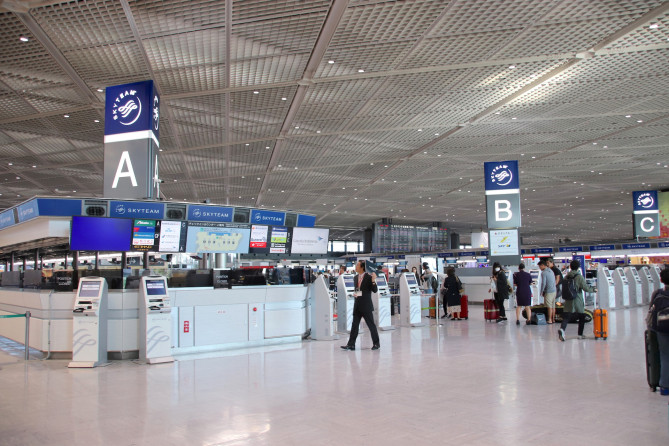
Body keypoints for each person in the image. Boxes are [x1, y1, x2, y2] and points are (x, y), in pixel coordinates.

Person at [341, 260, 380, 351]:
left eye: (357, 265)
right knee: (354, 325)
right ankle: (351, 344)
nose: (356, 267)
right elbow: (358, 290)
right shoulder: (355, 277)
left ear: (362, 267)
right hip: (357, 305)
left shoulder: (369, 277)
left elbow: (374, 290)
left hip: (366, 305)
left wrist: (373, 281)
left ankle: (376, 343)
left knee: (371, 325)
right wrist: (356, 294)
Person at [558, 260, 595, 341]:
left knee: (566, 316)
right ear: (578, 267)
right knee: (581, 316)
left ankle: (562, 330)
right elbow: (585, 288)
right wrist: (593, 290)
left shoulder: (566, 276)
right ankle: (580, 334)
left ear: (570, 267)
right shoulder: (579, 277)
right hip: (577, 298)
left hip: (568, 299)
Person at [649, 268, 669, 395]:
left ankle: (665, 387)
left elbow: (651, 311)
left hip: (661, 329)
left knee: (665, 356)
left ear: (661, 279)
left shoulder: (657, 293)